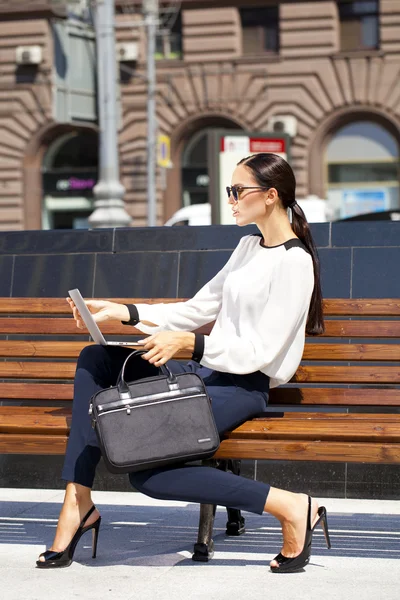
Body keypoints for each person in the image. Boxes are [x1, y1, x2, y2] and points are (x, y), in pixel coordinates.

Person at [36, 153, 331, 573]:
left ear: (270, 196)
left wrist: (192, 346)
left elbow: (261, 353)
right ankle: (77, 500)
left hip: (240, 388)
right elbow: (196, 309)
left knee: (147, 475)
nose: (230, 198)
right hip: (201, 375)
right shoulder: (249, 247)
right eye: (229, 190)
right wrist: (123, 312)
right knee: (97, 358)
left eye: (237, 190)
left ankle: (289, 505)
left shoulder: (295, 262)